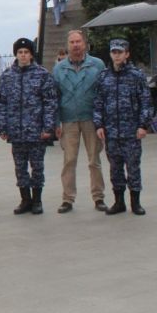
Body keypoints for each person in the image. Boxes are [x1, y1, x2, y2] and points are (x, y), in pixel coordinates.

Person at [0, 39, 57, 215]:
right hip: (16, 132)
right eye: (20, 52)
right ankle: (25, 199)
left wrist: (48, 128)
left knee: (37, 167)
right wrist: (3, 127)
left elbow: (50, 103)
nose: (23, 55)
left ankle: (37, 200)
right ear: (16, 54)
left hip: (36, 131)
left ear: (31, 54)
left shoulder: (42, 75)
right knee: (20, 168)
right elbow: (2, 103)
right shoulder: (7, 76)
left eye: (26, 52)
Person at [93, 39, 152, 215]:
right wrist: (99, 124)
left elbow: (146, 102)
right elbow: (98, 103)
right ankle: (119, 202)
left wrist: (143, 125)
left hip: (131, 131)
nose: (116, 55)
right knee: (115, 168)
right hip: (111, 132)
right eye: (114, 52)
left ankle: (136, 203)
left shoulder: (136, 76)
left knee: (133, 167)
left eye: (120, 52)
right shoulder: (104, 76)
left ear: (127, 54)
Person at [52, 30, 107, 213]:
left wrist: (102, 121)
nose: (75, 45)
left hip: (91, 118)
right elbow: (55, 97)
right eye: (72, 42)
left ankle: (98, 197)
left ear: (84, 44)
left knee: (94, 160)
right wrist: (56, 122)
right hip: (68, 119)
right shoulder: (59, 69)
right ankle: (68, 199)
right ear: (67, 45)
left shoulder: (97, 65)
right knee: (69, 161)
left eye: (78, 42)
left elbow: (103, 94)